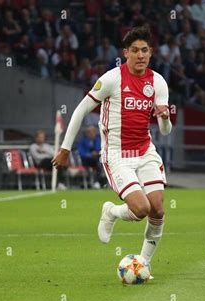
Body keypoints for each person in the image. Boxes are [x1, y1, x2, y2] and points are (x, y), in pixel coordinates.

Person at [52, 26, 173, 278]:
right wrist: (65, 148)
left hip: (145, 150)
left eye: (145, 50)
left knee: (158, 209)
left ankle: (144, 264)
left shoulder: (158, 82)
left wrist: (164, 117)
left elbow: (165, 131)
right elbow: (80, 110)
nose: (141, 55)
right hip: (117, 155)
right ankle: (111, 211)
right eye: (135, 51)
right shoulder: (111, 79)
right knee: (141, 210)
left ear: (150, 53)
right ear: (126, 53)